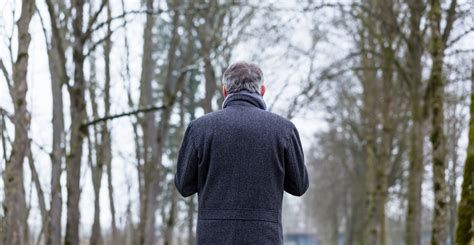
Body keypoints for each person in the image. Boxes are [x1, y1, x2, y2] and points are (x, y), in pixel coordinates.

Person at [174, 61, 309, 244]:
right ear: (262, 91)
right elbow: (299, 186)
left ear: (225, 91)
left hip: (213, 238)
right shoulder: (284, 130)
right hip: (264, 238)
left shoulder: (199, 129)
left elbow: (184, 186)